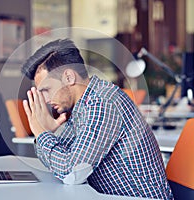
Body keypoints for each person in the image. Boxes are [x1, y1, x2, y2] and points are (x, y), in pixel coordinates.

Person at [21, 39, 173, 199]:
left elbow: (71, 172)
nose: (45, 99)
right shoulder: (82, 107)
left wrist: (42, 134)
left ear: (68, 78)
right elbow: (63, 157)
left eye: (47, 89)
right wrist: (48, 134)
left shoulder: (103, 103)